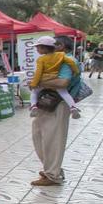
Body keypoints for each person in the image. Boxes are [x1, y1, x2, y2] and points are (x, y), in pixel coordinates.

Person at [30, 36, 76, 187]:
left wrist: (38, 82)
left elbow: (63, 82)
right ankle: (52, 168)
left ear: (60, 46)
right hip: (46, 102)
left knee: (52, 141)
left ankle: (52, 174)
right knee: (40, 137)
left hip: (58, 104)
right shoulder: (51, 59)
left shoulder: (66, 61)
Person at [28, 36, 81, 119]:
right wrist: (76, 71)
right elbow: (71, 63)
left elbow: (38, 73)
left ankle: (33, 106)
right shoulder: (61, 55)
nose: (37, 50)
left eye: (38, 48)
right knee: (64, 93)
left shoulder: (41, 59)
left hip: (46, 81)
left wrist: (34, 83)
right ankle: (73, 107)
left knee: (34, 92)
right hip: (55, 77)